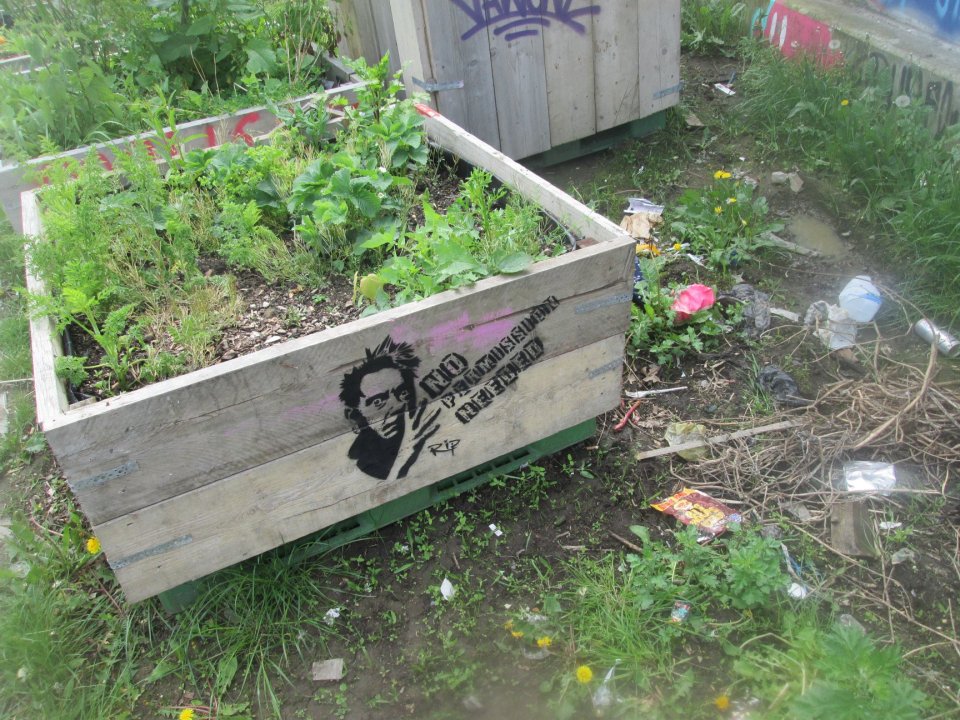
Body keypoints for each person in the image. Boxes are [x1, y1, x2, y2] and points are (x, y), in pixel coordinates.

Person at [340, 336, 440, 480]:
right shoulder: (364, 462)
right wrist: (406, 451)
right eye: (378, 401)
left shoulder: (429, 433)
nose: (395, 407)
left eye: (402, 393)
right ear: (354, 415)